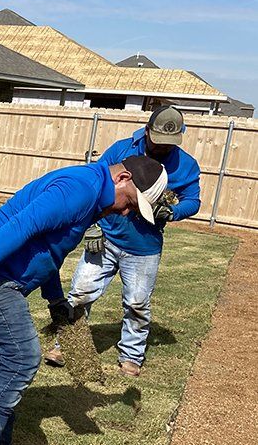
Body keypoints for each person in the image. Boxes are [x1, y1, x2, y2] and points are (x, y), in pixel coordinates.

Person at [0, 153, 168, 445]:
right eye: (131, 203)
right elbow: (21, 226)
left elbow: (47, 252)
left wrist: (56, 300)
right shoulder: (80, 189)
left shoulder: (92, 198)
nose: (126, 212)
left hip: (1, 277)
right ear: (123, 179)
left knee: (6, 360)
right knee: (22, 357)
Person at [44, 105, 201, 378]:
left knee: (137, 304)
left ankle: (131, 355)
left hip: (144, 248)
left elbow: (194, 202)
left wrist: (173, 212)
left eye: (169, 143)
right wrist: (92, 225)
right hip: (105, 238)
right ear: (147, 129)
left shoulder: (186, 166)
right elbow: (95, 183)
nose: (163, 147)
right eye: (158, 140)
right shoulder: (120, 150)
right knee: (80, 293)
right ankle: (65, 345)